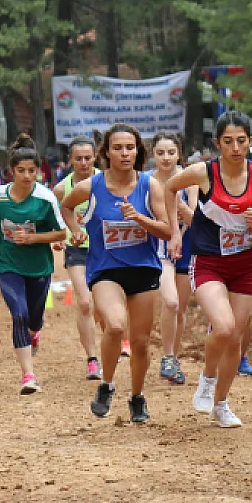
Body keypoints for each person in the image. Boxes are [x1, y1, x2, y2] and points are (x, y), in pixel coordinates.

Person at [165, 112, 252, 427]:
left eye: (241, 140)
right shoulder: (203, 173)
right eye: (228, 141)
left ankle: (221, 405)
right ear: (218, 144)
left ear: (250, 142)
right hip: (208, 262)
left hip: (245, 264)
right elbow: (169, 188)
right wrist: (175, 232)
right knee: (225, 328)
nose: (235, 147)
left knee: (236, 338)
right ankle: (207, 377)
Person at [62, 123, 173, 423]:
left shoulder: (150, 186)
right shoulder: (92, 186)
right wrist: (75, 230)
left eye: (130, 147)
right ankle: (106, 385)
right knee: (114, 325)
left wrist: (139, 218)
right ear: (106, 153)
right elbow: (66, 205)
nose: (124, 153)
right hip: (106, 268)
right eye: (118, 148)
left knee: (140, 342)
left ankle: (137, 397)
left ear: (138, 151)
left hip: (142, 268)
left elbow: (166, 230)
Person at [0, 136, 67, 393]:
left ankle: (35, 332)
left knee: (34, 318)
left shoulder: (45, 198)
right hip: (8, 264)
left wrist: (32, 238)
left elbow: (61, 233)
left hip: (39, 265)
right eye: (21, 171)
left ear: (39, 171)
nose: (27, 176)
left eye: (32, 171)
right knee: (19, 314)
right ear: (11, 172)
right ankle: (28, 375)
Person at [52, 136, 103, 380]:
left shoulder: (108, 181)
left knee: (104, 307)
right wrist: (61, 236)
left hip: (108, 250)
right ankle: (92, 359)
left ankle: (115, 343)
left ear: (95, 157)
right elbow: (54, 220)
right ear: (70, 160)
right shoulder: (62, 189)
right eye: (78, 158)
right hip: (78, 250)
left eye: (88, 158)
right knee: (84, 303)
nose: (83, 163)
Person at [149, 132, 198, 387]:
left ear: (179, 154)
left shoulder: (190, 180)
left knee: (180, 307)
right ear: (152, 155)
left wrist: (177, 204)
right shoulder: (147, 182)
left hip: (188, 246)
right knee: (169, 302)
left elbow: (195, 221)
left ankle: (174, 360)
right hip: (158, 248)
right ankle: (167, 356)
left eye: (171, 152)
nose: (166, 158)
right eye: (160, 153)